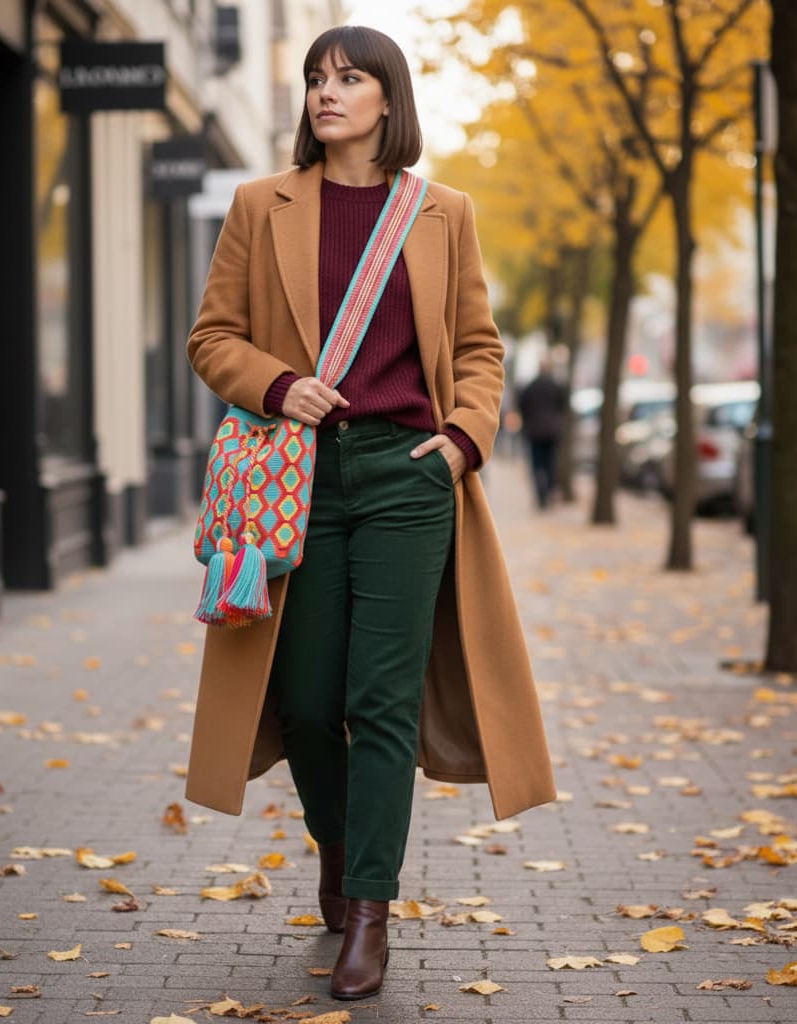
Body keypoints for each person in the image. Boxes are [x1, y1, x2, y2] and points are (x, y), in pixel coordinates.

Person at [184, 25, 555, 1002]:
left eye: (348, 78)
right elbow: (211, 336)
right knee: (307, 701)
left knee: (379, 700)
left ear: (389, 98)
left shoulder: (442, 212)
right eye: (317, 77)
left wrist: (464, 438)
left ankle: (370, 911)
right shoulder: (260, 205)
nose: (326, 91)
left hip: (406, 478)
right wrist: (277, 384)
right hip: (294, 479)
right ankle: (342, 849)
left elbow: (477, 348)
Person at [517, 356, 567, 509]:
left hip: (534, 432)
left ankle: (540, 495)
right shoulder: (555, 386)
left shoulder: (530, 387)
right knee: (550, 463)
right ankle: (550, 491)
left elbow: (522, 406)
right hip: (551, 431)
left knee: (537, 464)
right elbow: (562, 405)